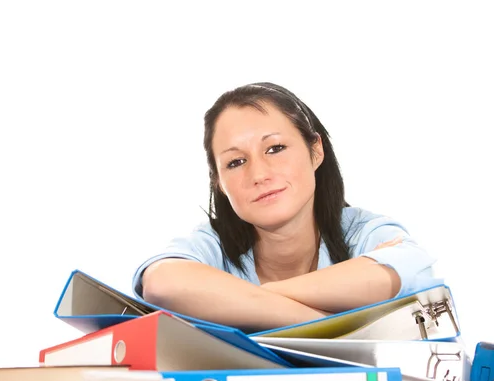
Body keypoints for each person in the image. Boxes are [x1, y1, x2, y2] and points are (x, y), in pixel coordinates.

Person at [132, 82, 443, 332]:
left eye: (275, 148)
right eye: (236, 162)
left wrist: (233, 300)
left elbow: (410, 274)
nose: (259, 174)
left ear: (316, 150)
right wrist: (321, 325)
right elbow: (162, 284)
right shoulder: (212, 242)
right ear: (219, 182)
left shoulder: (361, 231)